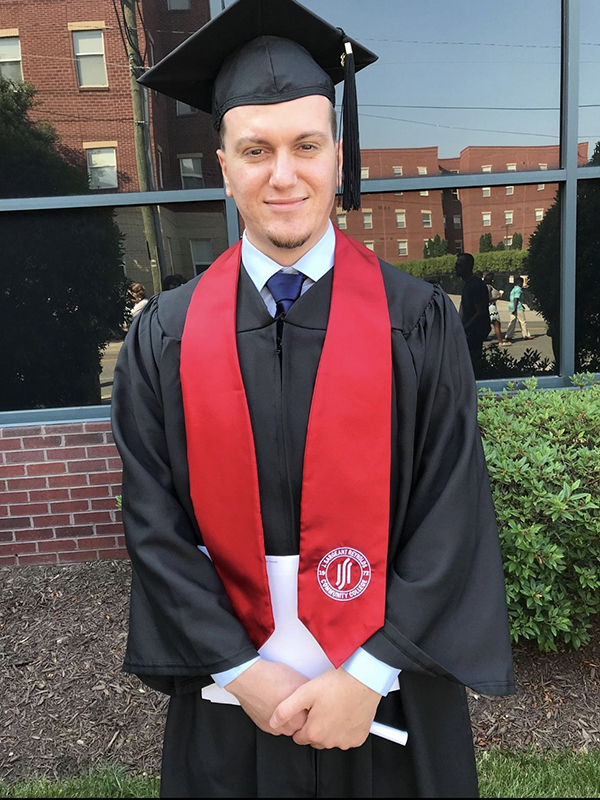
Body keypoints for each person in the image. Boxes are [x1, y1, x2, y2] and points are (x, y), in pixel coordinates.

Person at [112, 1, 514, 797]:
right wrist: (240, 668)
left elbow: (452, 508)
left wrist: (367, 673)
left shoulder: (416, 321)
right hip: (234, 690)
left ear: (338, 154)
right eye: (255, 150)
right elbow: (152, 523)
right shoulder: (166, 335)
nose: (283, 174)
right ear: (223, 165)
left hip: (384, 688)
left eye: (306, 145)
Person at [455, 252, 492, 357]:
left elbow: (480, 312)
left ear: (467, 267)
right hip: (470, 331)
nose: (455, 267)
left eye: (458, 264)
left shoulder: (475, 285)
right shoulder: (467, 284)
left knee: (472, 359)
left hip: (474, 332)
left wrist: (464, 328)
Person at [504, 276, 534, 343]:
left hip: (511, 307)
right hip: (517, 308)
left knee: (512, 321)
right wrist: (515, 308)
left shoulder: (513, 289)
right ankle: (526, 335)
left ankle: (508, 335)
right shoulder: (519, 290)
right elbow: (516, 299)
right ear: (520, 282)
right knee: (522, 322)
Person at [483, 272, 504, 346]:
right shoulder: (489, 287)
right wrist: (498, 297)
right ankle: (500, 341)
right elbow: (488, 299)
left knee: (491, 325)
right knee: (496, 324)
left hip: (491, 307)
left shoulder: (488, 286)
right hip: (491, 307)